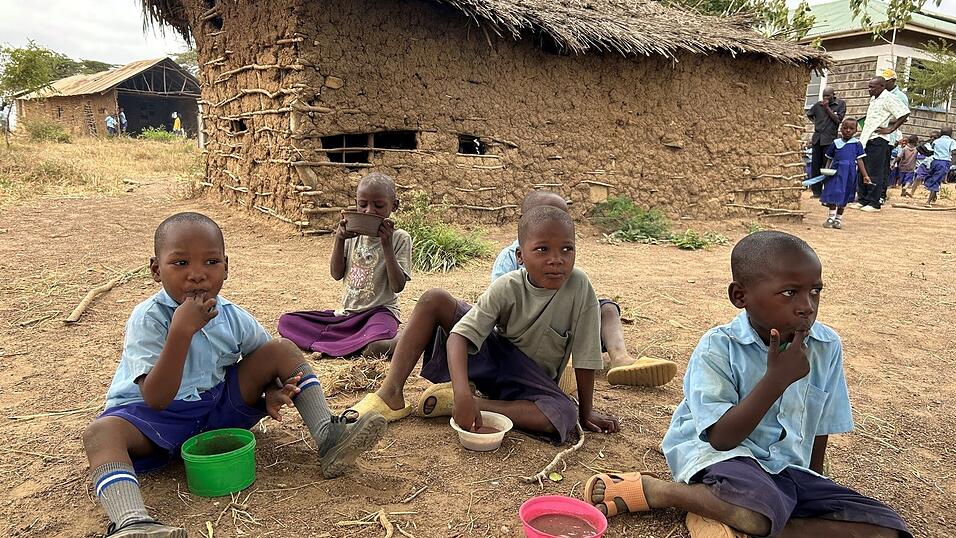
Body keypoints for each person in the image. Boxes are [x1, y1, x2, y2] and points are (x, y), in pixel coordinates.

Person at [582, 231, 911, 538]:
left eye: (815, 291)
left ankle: (733, 518)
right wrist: (776, 380)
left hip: (786, 471)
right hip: (724, 458)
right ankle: (662, 492)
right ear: (740, 296)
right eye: (789, 292)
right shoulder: (718, 347)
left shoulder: (826, 346)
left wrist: (815, 484)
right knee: (757, 507)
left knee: (888, 529)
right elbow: (722, 438)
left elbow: (820, 426)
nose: (807, 306)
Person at [83, 212, 387, 537]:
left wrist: (270, 391)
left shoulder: (232, 317)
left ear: (226, 267)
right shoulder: (149, 319)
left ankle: (328, 435)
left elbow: (266, 360)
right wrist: (180, 332)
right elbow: (156, 399)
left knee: (282, 349)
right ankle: (132, 522)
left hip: (213, 413)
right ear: (156, 270)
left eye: (211, 262)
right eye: (181, 263)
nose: (197, 275)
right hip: (150, 421)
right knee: (101, 433)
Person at [349, 205, 620, 442]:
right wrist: (462, 391)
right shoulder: (508, 287)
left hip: (530, 384)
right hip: (492, 359)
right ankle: (391, 394)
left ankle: (476, 403)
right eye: (542, 249)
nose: (556, 259)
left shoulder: (579, 285)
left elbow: (585, 355)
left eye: (567, 249)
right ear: (520, 257)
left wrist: (586, 413)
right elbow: (460, 337)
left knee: (564, 413)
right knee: (435, 299)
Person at [491, 190, 677, 388]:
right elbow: (501, 306)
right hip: (529, 335)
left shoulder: (563, 252)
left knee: (606, 308)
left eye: (562, 218)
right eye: (546, 216)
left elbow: (577, 292)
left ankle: (620, 358)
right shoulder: (510, 258)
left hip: (567, 327)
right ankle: (561, 369)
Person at [278, 173, 412, 359]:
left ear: (394, 206)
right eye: (362, 204)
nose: (369, 211)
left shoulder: (399, 238)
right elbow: (336, 273)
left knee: (377, 346)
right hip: (347, 317)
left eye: (378, 205)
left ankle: (398, 340)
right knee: (287, 322)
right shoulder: (352, 235)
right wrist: (339, 239)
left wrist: (386, 245)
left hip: (379, 314)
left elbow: (398, 286)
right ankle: (353, 344)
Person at [851, 77, 909, 212]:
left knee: (874, 171)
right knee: (862, 170)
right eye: (869, 87)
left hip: (879, 139)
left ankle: (874, 202)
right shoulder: (874, 98)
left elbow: (904, 113)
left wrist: (891, 129)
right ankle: (863, 199)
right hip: (866, 139)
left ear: (882, 86)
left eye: (872, 87)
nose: (869, 90)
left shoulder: (889, 98)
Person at [821, 118, 870, 229]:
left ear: (856, 130)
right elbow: (829, 159)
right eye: (845, 128)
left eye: (851, 128)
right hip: (835, 172)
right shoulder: (835, 143)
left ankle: (838, 219)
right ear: (841, 129)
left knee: (845, 195)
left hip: (849, 174)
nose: (848, 130)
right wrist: (826, 171)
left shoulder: (857, 144)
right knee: (834, 193)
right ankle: (831, 218)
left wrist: (865, 175)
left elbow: (860, 160)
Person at [805, 86, 846, 198]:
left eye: (828, 96)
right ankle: (816, 192)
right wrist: (816, 123)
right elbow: (809, 114)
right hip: (818, 139)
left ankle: (827, 190)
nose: (826, 98)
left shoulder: (840, 104)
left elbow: (838, 120)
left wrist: (827, 108)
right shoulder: (818, 105)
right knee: (816, 166)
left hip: (829, 139)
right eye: (824, 96)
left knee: (827, 166)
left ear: (834, 95)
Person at [921, 127, 955, 206]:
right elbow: (953, 150)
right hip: (944, 162)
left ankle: (934, 195)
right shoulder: (951, 141)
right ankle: (928, 201)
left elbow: (932, 149)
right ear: (951, 134)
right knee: (937, 180)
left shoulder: (936, 141)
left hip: (934, 161)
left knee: (935, 177)